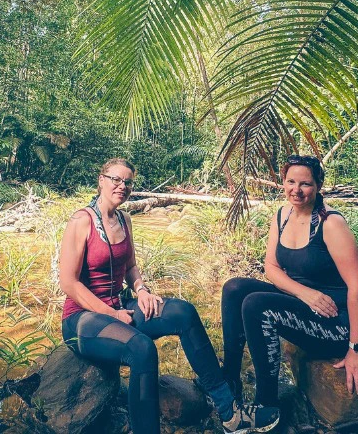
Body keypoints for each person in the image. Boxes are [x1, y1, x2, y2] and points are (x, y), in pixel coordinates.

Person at [60, 158, 279, 434]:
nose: (122, 186)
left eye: (128, 182)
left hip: (120, 307)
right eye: (116, 179)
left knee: (182, 313)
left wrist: (141, 291)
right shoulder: (81, 221)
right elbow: (68, 282)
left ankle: (228, 411)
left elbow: (130, 267)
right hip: (83, 319)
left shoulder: (124, 219)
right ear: (101, 180)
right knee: (142, 349)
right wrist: (111, 314)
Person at [221, 154, 358, 406]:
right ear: (283, 182)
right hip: (303, 304)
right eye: (291, 182)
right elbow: (271, 267)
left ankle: (266, 405)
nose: (296, 190)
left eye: (305, 184)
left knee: (256, 305)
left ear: (318, 186)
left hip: (334, 323)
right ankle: (230, 380)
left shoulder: (330, 224)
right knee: (235, 288)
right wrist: (305, 293)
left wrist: (357, 350)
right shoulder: (282, 215)